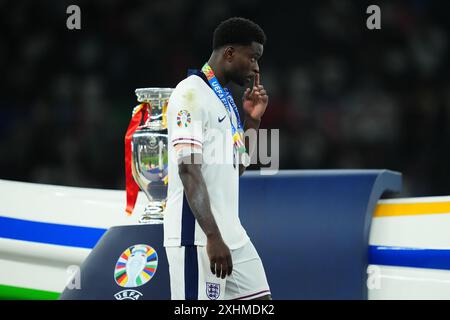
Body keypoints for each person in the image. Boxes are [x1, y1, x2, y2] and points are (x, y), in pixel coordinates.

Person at [164, 17, 271, 300]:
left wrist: (252, 122)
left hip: (231, 234)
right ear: (230, 53)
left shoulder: (223, 100)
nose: (256, 67)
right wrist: (212, 237)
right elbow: (188, 170)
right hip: (198, 238)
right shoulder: (189, 94)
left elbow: (235, 168)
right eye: (253, 57)